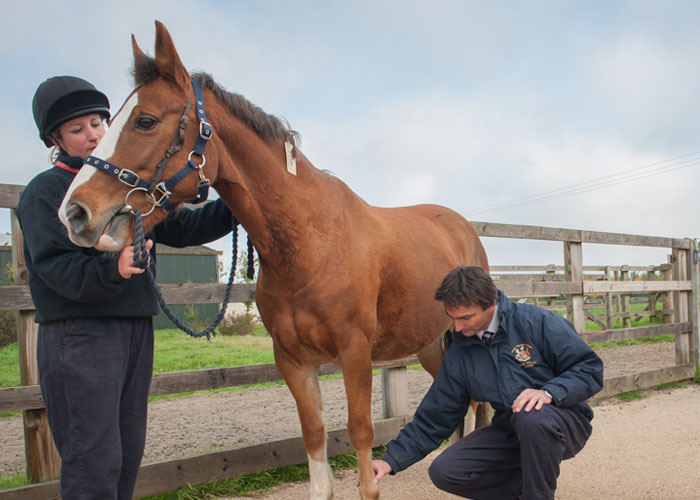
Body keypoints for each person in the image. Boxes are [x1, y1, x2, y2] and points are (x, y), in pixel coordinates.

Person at [18, 75, 234, 500]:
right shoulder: (44, 193)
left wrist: (240, 200)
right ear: (56, 139)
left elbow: (186, 225)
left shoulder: (129, 185)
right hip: (80, 336)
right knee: (91, 463)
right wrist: (113, 270)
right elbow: (57, 271)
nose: (93, 135)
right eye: (78, 130)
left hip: (134, 329)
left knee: (126, 457)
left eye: (99, 123)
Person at [371, 266, 604, 500]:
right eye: (452, 319)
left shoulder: (538, 322)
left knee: (531, 418)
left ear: (491, 304)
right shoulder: (462, 348)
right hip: (510, 427)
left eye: (465, 318)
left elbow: (589, 370)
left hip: (564, 421)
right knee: (445, 471)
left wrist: (549, 392)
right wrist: (390, 460)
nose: (458, 328)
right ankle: (523, 491)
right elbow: (437, 414)